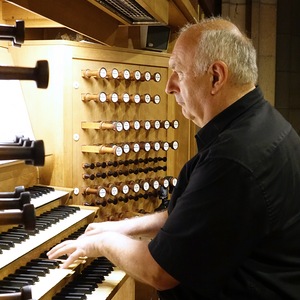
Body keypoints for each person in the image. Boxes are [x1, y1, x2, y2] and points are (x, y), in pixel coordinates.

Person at [47, 16, 300, 299]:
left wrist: (104, 242)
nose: (169, 87)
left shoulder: (234, 158)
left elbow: (160, 272)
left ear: (215, 76)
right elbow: (194, 216)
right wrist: (122, 226)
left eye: (178, 71)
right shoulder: (263, 125)